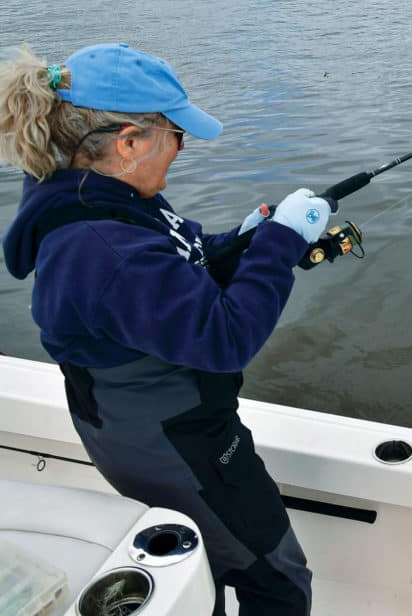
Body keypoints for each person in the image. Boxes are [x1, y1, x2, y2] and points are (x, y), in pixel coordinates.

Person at [0, 42, 329, 616]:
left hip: (157, 426)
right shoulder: (103, 249)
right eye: (176, 136)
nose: (182, 149)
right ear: (128, 143)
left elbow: (179, 267)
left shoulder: (102, 192)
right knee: (275, 577)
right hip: (175, 442)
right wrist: (278, 249)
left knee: (217, 554)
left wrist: (247, 240)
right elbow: (226, 337)